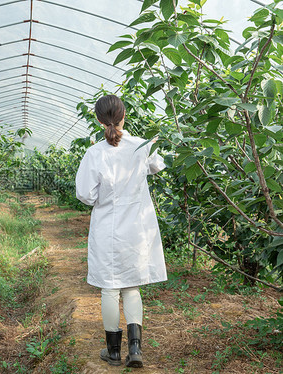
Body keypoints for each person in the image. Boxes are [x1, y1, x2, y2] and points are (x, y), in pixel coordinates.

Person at [75, 94, 166, 368]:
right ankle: (135, 350)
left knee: (109, 288)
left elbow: (85, 195)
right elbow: (159, 166)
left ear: (99, 120)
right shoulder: (141, 146)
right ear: (124, 115)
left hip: (107, 228)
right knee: (131, 287)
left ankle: (113, 351)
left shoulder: (95, 153)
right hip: (136, 228)